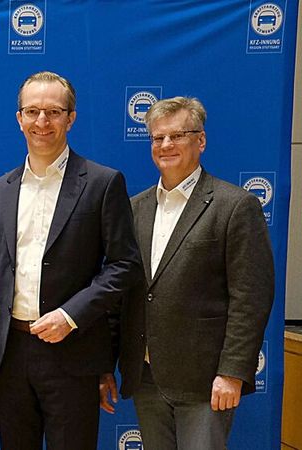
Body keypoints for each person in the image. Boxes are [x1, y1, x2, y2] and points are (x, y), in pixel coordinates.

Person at [0, 71, 141, 449]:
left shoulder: (102, 183)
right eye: (32, 111)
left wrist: (70, 315)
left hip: (74, 352)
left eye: (53, 111)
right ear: (19, 119)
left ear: (71, 118)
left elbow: (124, 265)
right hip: (10, 355)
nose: (42, 121)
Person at [117, 96, 274, 449]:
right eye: (158, 137)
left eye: (177, 135)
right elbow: (127, 291)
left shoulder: (235, 206)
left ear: (200, 141)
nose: (166, 145)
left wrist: (232, 372)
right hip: (146, 377)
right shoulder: (135, 208)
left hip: (206, 381)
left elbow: (251, 297)